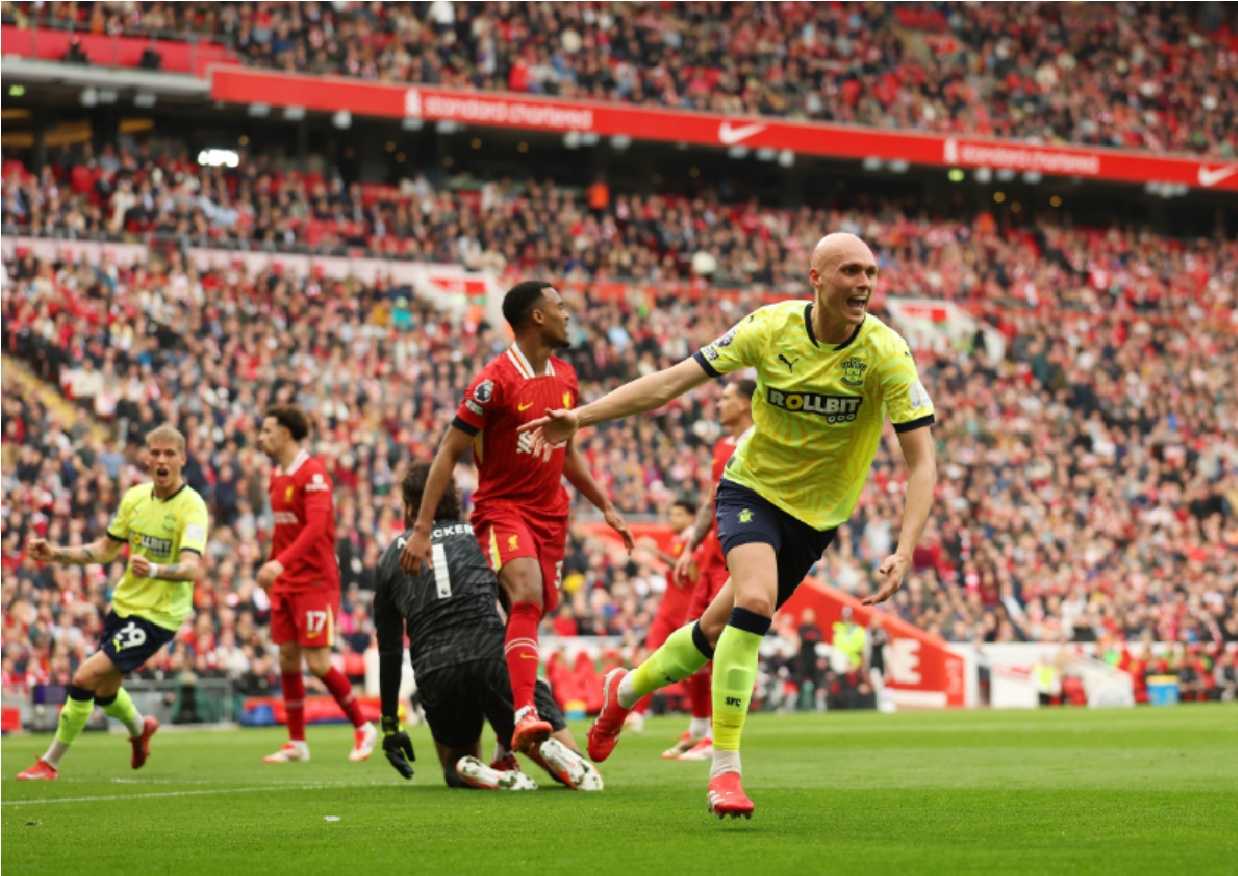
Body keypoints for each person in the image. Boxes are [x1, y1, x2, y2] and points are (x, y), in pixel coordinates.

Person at [522, 232, 937, 818]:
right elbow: (670, 382)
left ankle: (625, 690)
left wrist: (906, 547)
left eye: (870, 272)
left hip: (816, 519)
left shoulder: (886, 352)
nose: (864, 284)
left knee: (714, 632)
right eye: (850, 271)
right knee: (757, 601)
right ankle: (725, 772)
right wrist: (581, 417)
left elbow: (922, 460)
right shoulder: (768, 329)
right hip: (752, 490)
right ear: (816, 278)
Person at [399, 280, 634, 754]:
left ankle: (509, 744)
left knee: (528, 611)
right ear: (537, 317)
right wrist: (421, 528)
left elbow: (567, 454)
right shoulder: (493, 382)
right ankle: (525, 714)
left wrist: (604, 504)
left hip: (552, 515)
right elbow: (448, 452)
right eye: (560, 307)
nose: (568, 314)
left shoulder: (566, 377)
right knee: (526, 594)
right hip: (503, 510)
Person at [375, 461, 602, 791]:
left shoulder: (390, 558)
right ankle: (553, 751)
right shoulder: (483, 536)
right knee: (576, 766)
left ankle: (479, 771)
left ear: (411, 508)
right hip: (493, 654)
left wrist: (390, 725)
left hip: (436, 667)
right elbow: (518, 611)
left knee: (454, 766)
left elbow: (390, 650)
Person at [16, 424, 209, 781]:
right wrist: (55, 553)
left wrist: (153, 568)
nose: (162, 460)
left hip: (158, 616)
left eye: (170, 453)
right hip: (123, 606)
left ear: (182, 459)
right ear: (146, 458)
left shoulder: (192, 507)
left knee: (85, 676)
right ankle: (140, 728)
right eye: (156, 453)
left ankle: (50, 763)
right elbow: (105, 550)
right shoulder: (135, 498)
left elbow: (192, 568)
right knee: (105, 690)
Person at [256, 404, 377, 764]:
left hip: (315, 582)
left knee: (318, 662)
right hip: (287, 582)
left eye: (266, 431)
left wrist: (278, 563)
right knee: (288, 658)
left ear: (285, 434)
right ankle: (297, 742)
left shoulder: (314, 476)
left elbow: (314, 531)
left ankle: (362, 726)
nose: (261, 438)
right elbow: (284, 532)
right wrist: (272, 568)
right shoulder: (277, 475)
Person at [665, 379, 756, 760]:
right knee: (694, 642)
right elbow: (710, 500)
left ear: (747, 404)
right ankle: (699, 727)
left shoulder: (762, 442)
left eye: (726, 399)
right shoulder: (722, 448)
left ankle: (716, 737)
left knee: (720, 646)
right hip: (709, 561)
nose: (718, 405)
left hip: (736, 561)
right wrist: (691, 547)